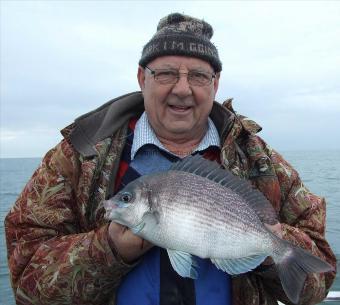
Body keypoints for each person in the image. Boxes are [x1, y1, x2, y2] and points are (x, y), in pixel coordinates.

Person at [5, 13, 336, 305]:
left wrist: (264, 246)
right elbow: (26, 284)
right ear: (142, 78)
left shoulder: (260, 160)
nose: (182, 89)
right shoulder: (77, 157)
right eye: (165, 74)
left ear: (215, 83)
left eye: (198, 76)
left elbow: (318, 282)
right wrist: (108, 250)